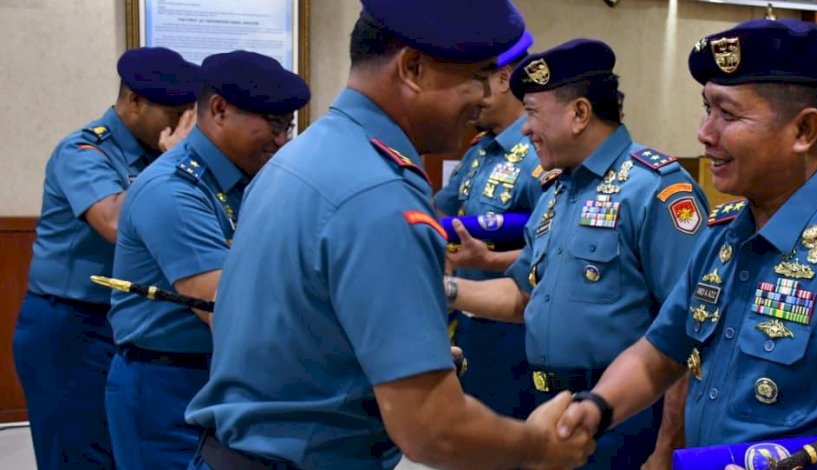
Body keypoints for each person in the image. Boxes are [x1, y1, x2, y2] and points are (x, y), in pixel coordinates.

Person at [555, 20, 817, 470]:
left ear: (803, 130)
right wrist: (597, 408)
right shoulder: (721, 235)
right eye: (706, 109)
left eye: (727, 114)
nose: (704, 132)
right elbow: (661, 352)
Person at [184, 2, 594, 469]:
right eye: (476, 76)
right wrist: (538, 446)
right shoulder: (380, 195)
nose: (484, 96)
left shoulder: (300, 159)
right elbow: (432, 430)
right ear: (412, 68)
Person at [448, 38, 708, 469]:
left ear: (580, 113)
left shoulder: (655, 189)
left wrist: (667, 449)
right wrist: (446, 290)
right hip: (547, 405)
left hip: (625, 420)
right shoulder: (558, 190)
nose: (525, 128)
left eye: (532, 113)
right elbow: (524, 296)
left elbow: (686, 332)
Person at [105, 50, 309, 470]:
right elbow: (225, 308)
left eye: (287, 126)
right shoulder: (173, 189)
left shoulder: (249, 181)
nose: (281, 140)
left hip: (225, 377)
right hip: (167, 383)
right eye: (272, 125)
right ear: (218, 110)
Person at [12, 46, 199, 470]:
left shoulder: (160, 154)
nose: (184, 124)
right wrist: (173, 162)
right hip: (70, 324)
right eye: (175, 111)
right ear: (134, 101)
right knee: (77, 454)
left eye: (191, 111)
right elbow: (115, 222)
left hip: (131, 328)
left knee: (126, 453)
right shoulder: (83, 151)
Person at [432, 30, 543, 421]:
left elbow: (551, 246)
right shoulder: (480, 150)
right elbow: (440, 214)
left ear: (505, 78)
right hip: (468, 324)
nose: (472, 95)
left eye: (479, 80)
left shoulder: (540, 154)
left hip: (515, 330)